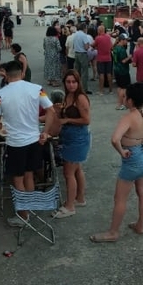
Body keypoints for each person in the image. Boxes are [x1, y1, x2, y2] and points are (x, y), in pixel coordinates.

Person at [91, 83, 143, 243]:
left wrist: (122, 151)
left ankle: (113, 232)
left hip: (134, 158)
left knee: (120, 198)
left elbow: (115, 139)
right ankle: (140, 225)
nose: (123, 99)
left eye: (125, 97)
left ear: (130, 101)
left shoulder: (128, 118)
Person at [0, 61, 54, 227]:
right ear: (21, 73)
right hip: (34, 139)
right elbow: (51, 111)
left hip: (16, 142)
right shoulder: (37, 88)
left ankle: (23, 215)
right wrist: (45, 132)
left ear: (5, 74)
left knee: (17, 179)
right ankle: (30, 209)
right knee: (29, 175)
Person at [52, 71, 91, 218]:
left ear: (78, 82)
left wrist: (67, 120)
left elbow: (86, 120)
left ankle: (69, 206)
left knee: (68, 173)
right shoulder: (68, 96)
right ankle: (79, 198)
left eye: (73, 82)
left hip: (78, 138)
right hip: (69, 137)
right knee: (77, 169)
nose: (71, 84)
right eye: (68, 82)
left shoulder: (80, 98)